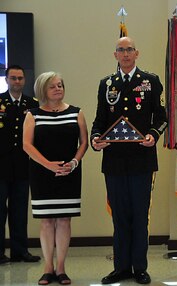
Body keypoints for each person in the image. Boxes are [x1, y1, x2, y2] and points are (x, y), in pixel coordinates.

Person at [91, 36, 167, 285]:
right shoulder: (107, 84)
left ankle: (139, 268)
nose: (125, 54)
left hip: (141, 160)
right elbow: (100, 120)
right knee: (119, 216)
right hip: (113, 161)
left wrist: (153, 135)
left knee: (139, 216)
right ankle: (121, 267)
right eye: (121, 50)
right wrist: (94, 139)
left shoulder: (150, 81)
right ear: (115, 55)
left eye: (129, 50)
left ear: (137, 53)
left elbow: (162, 117)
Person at [23, 72, 88, 285]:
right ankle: (47, 267)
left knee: (64, 220)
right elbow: (27, 145)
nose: (58, 89)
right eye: (53, 86)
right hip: (42, 173)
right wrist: (49, 165)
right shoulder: (33, 114)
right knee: (47, 220)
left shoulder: (76, 113)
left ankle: (61, 268)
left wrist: (73, 163)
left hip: (69, 172)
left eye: (60, 85)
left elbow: (84, 143)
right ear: (43, 90)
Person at [0, 65, 40, 264]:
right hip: (0, 168)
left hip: (23, 167)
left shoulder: (32, 104)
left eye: (20, 78)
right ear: (7, 80)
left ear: (24, 81)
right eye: (13, 78)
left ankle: (20, 251)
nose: (17, 82)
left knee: (19, 211)